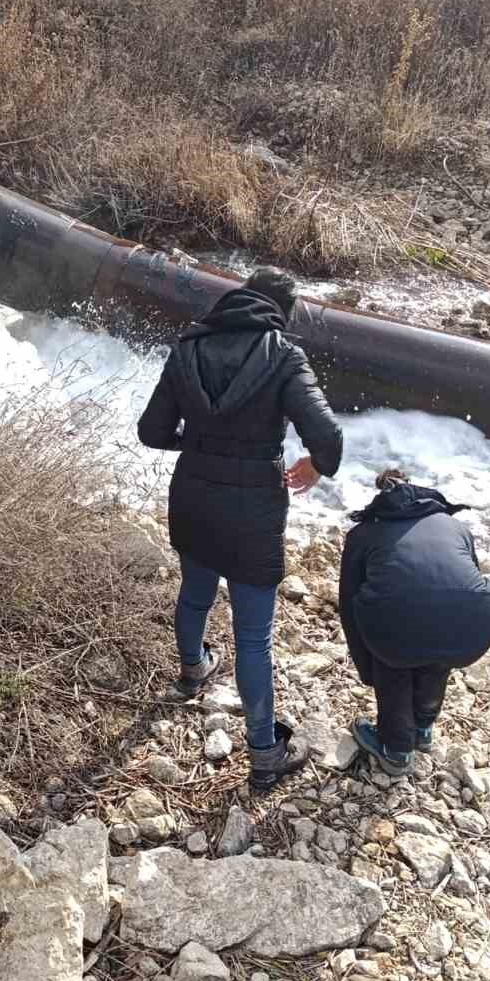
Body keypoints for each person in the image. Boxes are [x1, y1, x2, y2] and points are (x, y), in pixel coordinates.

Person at [137, 267, 344, 795]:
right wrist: (316, 465)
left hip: (195, 494)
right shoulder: (284, 356)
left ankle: (192, 670)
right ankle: (264, 752)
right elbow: (329, 436)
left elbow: (151, 430)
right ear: (283, 309)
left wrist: (201, 444)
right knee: (253, 635)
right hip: (253, 506)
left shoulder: (187, 349)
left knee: (195, 591)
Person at [340, 468, 490, 778]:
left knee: (393, 650)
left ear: (380, 499)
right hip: (473, 629)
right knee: (437, 633)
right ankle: (423, 728)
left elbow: (349, 607)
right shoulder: (455, 526)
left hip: (402, 632)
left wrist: (368, 668)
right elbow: (463, 586)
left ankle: (396, 748)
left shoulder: (362, 534)